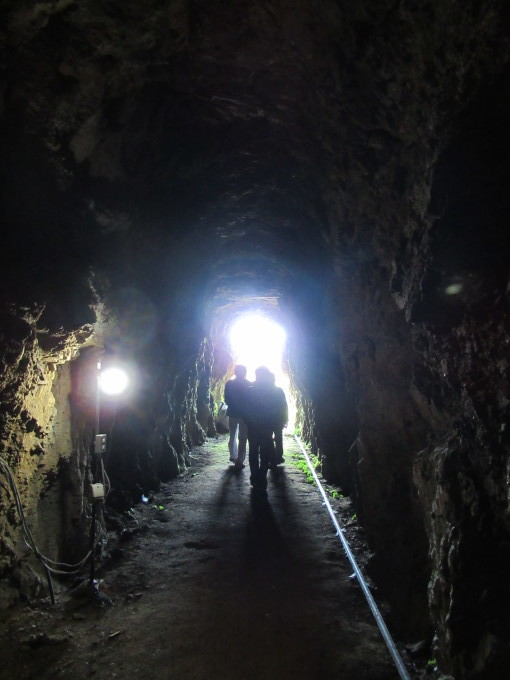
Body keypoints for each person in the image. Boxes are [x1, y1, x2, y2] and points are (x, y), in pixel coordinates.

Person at [244, 366, 279, 491]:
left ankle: (254, 477)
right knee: (264, 453)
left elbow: (245, 409)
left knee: (253, 452)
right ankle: (262, 477)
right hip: (266, 426)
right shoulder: (273, 391)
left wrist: (249, 422)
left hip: (253, 427)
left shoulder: (249, 390)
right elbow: (276, 410)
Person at [224, 364, 251, 469]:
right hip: (244, 414)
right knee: (243, 437)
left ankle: (233, 456)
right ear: (245, 373)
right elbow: (251, 400)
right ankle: (240, 459)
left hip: (233, 413)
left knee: (233, 435)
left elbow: (226, 399)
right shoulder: (248, 384)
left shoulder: (229, 384)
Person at [269, 372, 288, 466]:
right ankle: (279, 457)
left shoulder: (265, 391)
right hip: (278, 419)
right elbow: (284, 405)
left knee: (268, 438)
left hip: (268, 419)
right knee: (278, 438)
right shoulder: (279, 390)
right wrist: (285, 419)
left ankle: (272, 457)